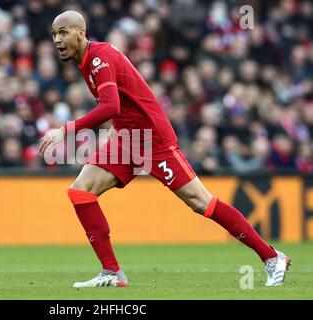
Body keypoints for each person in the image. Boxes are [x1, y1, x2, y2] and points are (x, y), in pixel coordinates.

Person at [39, 11, 290, 288]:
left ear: (81, 33)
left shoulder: (100, 58)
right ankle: (111, 272)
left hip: (152, 140)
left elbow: (111, 106)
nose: (57, 40)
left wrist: (64, 130)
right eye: (54, 34)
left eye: (63, 32)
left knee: (200, 202)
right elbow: (120, 105)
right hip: (127, 138)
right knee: (80, 192)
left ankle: (271, 257)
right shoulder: (86, 61)